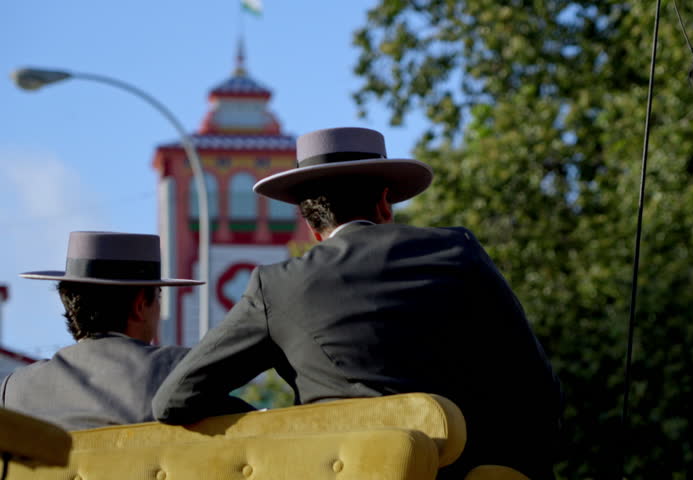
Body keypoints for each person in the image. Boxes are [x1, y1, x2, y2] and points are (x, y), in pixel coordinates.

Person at [153, 127, 564, 478]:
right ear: (385, 201)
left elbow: (174, 400)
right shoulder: (457, 251)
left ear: (310, 223)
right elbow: (536, 388)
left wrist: (280, 423)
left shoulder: (276, 286)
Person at [1, 231, 205, 431]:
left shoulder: (12, 392)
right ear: (140, 305)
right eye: (159, 297)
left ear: (69, 306)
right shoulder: (177, 371)